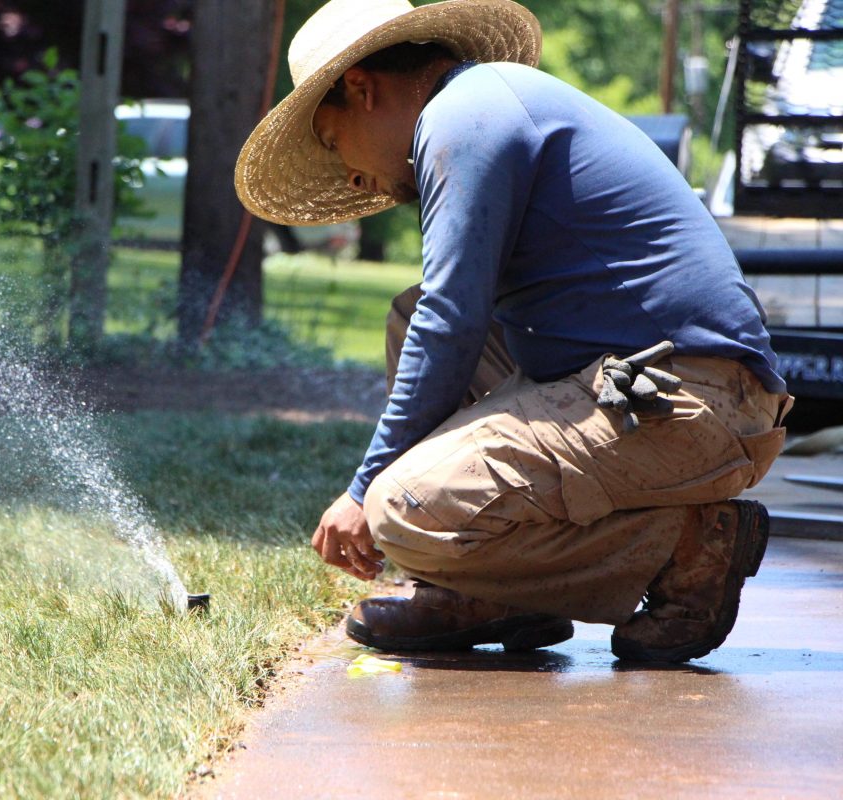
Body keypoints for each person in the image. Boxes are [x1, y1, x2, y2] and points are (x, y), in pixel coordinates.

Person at [234, 0, 791, 663]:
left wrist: (362, 491)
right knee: (407, 315)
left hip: (693, 399)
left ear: (363, 87)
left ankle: (690, 547)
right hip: (668, 383)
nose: (352, 176)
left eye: (333, 141)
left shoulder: (463, 119)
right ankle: (493, 593)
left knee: (402, 510)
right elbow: (440, 318)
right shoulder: (480, 104)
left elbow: (454, 321)